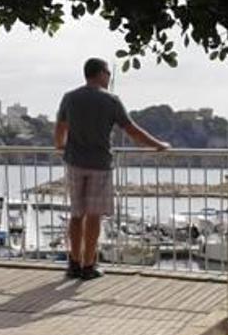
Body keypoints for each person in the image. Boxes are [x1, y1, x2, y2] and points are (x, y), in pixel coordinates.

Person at [54, 58, 169, 280]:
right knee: (94, 215)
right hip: (99, 164)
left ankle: (73, 264)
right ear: (100, 74)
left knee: (76, 215)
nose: (109, 77)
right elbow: (132, 130)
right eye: (108, 72)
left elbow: (60, 128)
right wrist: (158, 145)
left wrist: (60, 145)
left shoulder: (70, 98)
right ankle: (89, 265)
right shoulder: (111, 100)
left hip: (74, 161)